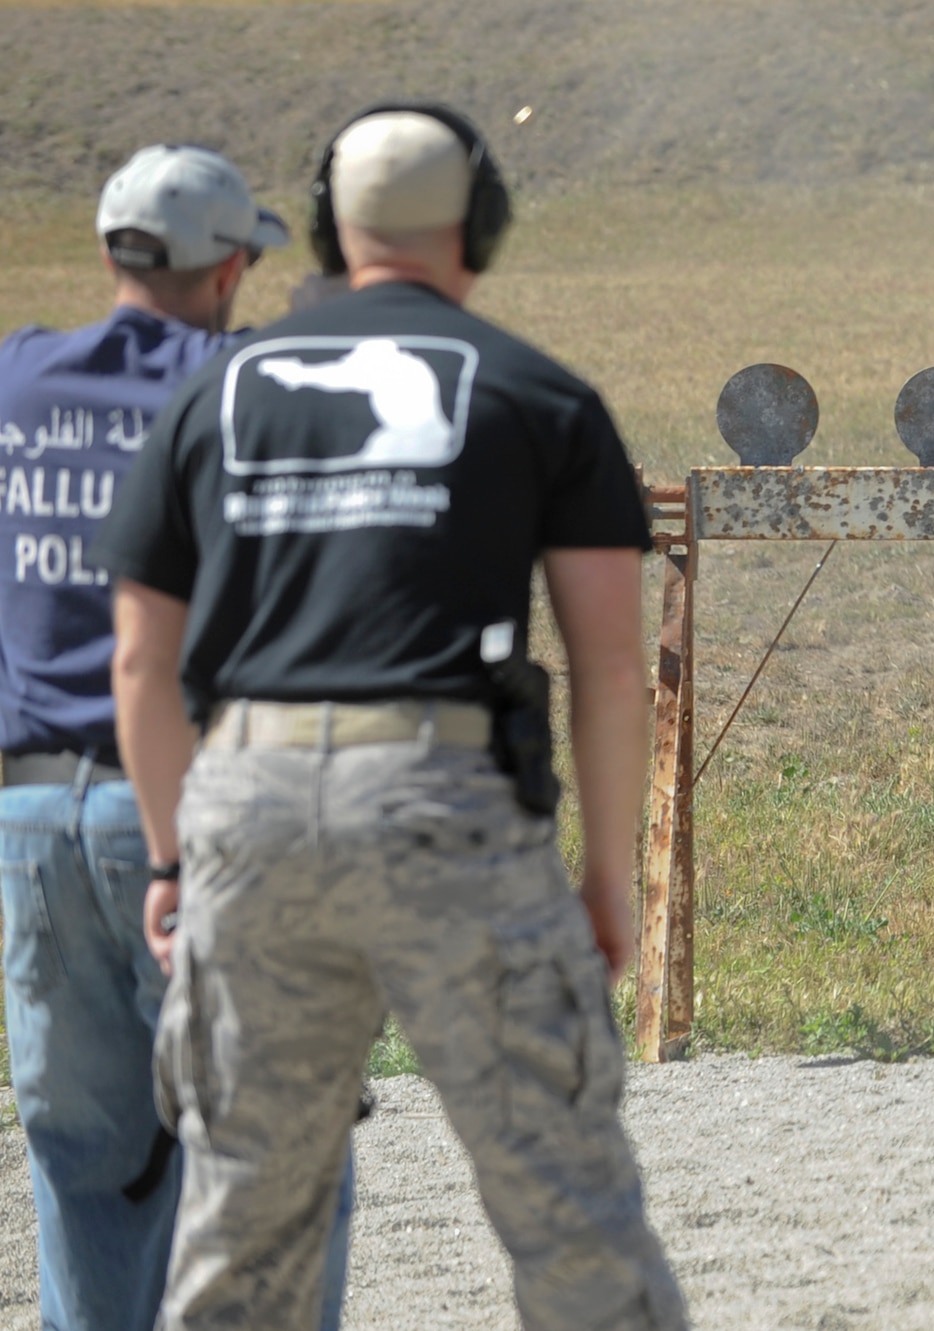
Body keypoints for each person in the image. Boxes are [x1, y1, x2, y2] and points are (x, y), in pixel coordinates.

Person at [91, 103, 690, 1331]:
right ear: (482, 224)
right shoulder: (538, 391)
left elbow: (144, 659)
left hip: (247, 805)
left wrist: (170, 855)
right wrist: (608, 882)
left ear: (324, 228)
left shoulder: (215, 392)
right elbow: (612, 661)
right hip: (443, 800)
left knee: (241, 1223)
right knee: (568, 1205)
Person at [0, 145, 355, 1331]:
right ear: (230, 266)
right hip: (202, 816)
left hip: (36, 815)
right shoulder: (248, 385)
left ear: (109, 251)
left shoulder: (14, 381)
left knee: (86, 1161)